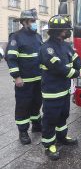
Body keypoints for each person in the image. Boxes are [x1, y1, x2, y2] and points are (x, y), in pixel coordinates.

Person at [39, 15, 81, 160]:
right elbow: (58, 68)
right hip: (52, 92)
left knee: (63, 115)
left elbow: (76, 59)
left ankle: (62, 137)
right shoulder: (47, 49)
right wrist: (78, 74)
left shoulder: (65, 45)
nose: (68, 32)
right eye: (65, 30)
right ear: (58, 31)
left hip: (64, 90)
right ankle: (49, 145)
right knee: (50, 119)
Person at [6, 9, 42, 145]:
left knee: (37, 103)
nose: (34, 24)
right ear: (24, 22)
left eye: (35, 21)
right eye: (32, 21)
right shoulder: (16, 37)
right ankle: (23, 131)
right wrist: (16, 77)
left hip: (38, 79)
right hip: (24, 81)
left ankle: (37, 125)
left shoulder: (38, 36)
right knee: (23, 106)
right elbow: (11, 58)